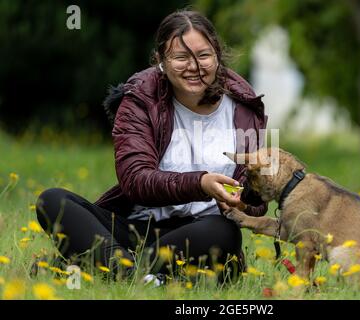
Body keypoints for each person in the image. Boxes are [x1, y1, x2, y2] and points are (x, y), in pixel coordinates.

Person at [35, 10, 268, 284]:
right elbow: (135, 180)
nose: (194, 67)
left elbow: (259, 202)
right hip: (137, 228)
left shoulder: (246, 108)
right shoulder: (138, 100)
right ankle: (140, 275)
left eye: (204, 55)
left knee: (224, 233)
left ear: (217, 55)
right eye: (181, 57)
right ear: (161, 60)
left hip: (200, 235)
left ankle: (110, 268)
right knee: (51, 200)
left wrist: (245, 201)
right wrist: (201, 183)